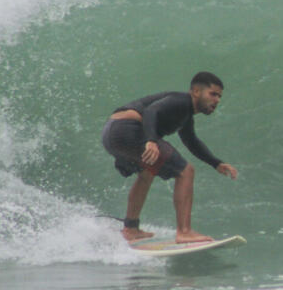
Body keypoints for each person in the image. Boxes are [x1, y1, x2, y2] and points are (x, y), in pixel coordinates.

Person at [101, 71, 238, 243]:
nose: (217, 100)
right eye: (213, 94)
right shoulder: (180, 101)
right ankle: (184, 232)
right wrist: (151, 140)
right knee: (186, 171)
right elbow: (151, 111)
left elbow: (191, 141)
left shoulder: (185, 114)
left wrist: (216, 163)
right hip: (127, 128)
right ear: (196, 92)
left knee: (147, 173)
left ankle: (131, 228)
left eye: (219, 96)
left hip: (111, 133)